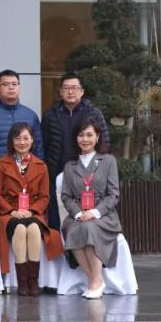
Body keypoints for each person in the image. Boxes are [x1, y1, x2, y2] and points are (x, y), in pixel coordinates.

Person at [0, 122, 63, 296]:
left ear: (32, 140)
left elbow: (45, 196)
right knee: (20, 229)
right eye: (17, 138)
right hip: (8, 213)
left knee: (33, 228)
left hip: (33, 212)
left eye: (26, 138)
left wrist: (32, 210)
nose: (22, 142)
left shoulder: (41, 165)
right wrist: (11, 211)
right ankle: (22, 281)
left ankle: (33, 280)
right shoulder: (1, 164)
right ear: (11, 141)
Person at [60, 119, 121, 300]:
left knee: (89, 227)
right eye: (81, 135)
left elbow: (114, 194)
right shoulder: (70, 166)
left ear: (97, 137)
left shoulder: (108, 161)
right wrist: (78, 213)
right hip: (78, 215)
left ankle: (94, 283)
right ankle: (95, 279)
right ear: (76, 138)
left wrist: (95, 212)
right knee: (74, 229)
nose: (85, 139)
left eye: (89, 135)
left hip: (104, 215)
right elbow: (66, 196)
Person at [44, 72, 110, 227]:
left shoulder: (93, 113)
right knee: (58, 215)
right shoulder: (50, 115)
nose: (70, 91)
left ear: (82, 91)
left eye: (74, 88)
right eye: (66, 88)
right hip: (58, 172)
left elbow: (104, 142)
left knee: (86, 216)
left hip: (87, 175)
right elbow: (43, 144)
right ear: (61, 92)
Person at [0, 70, 43, 171]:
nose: (11, 87)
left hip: (26, 173)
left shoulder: (31, 115)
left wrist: (37, 170)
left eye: (14, 84)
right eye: (6, 84)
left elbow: (38, 147)